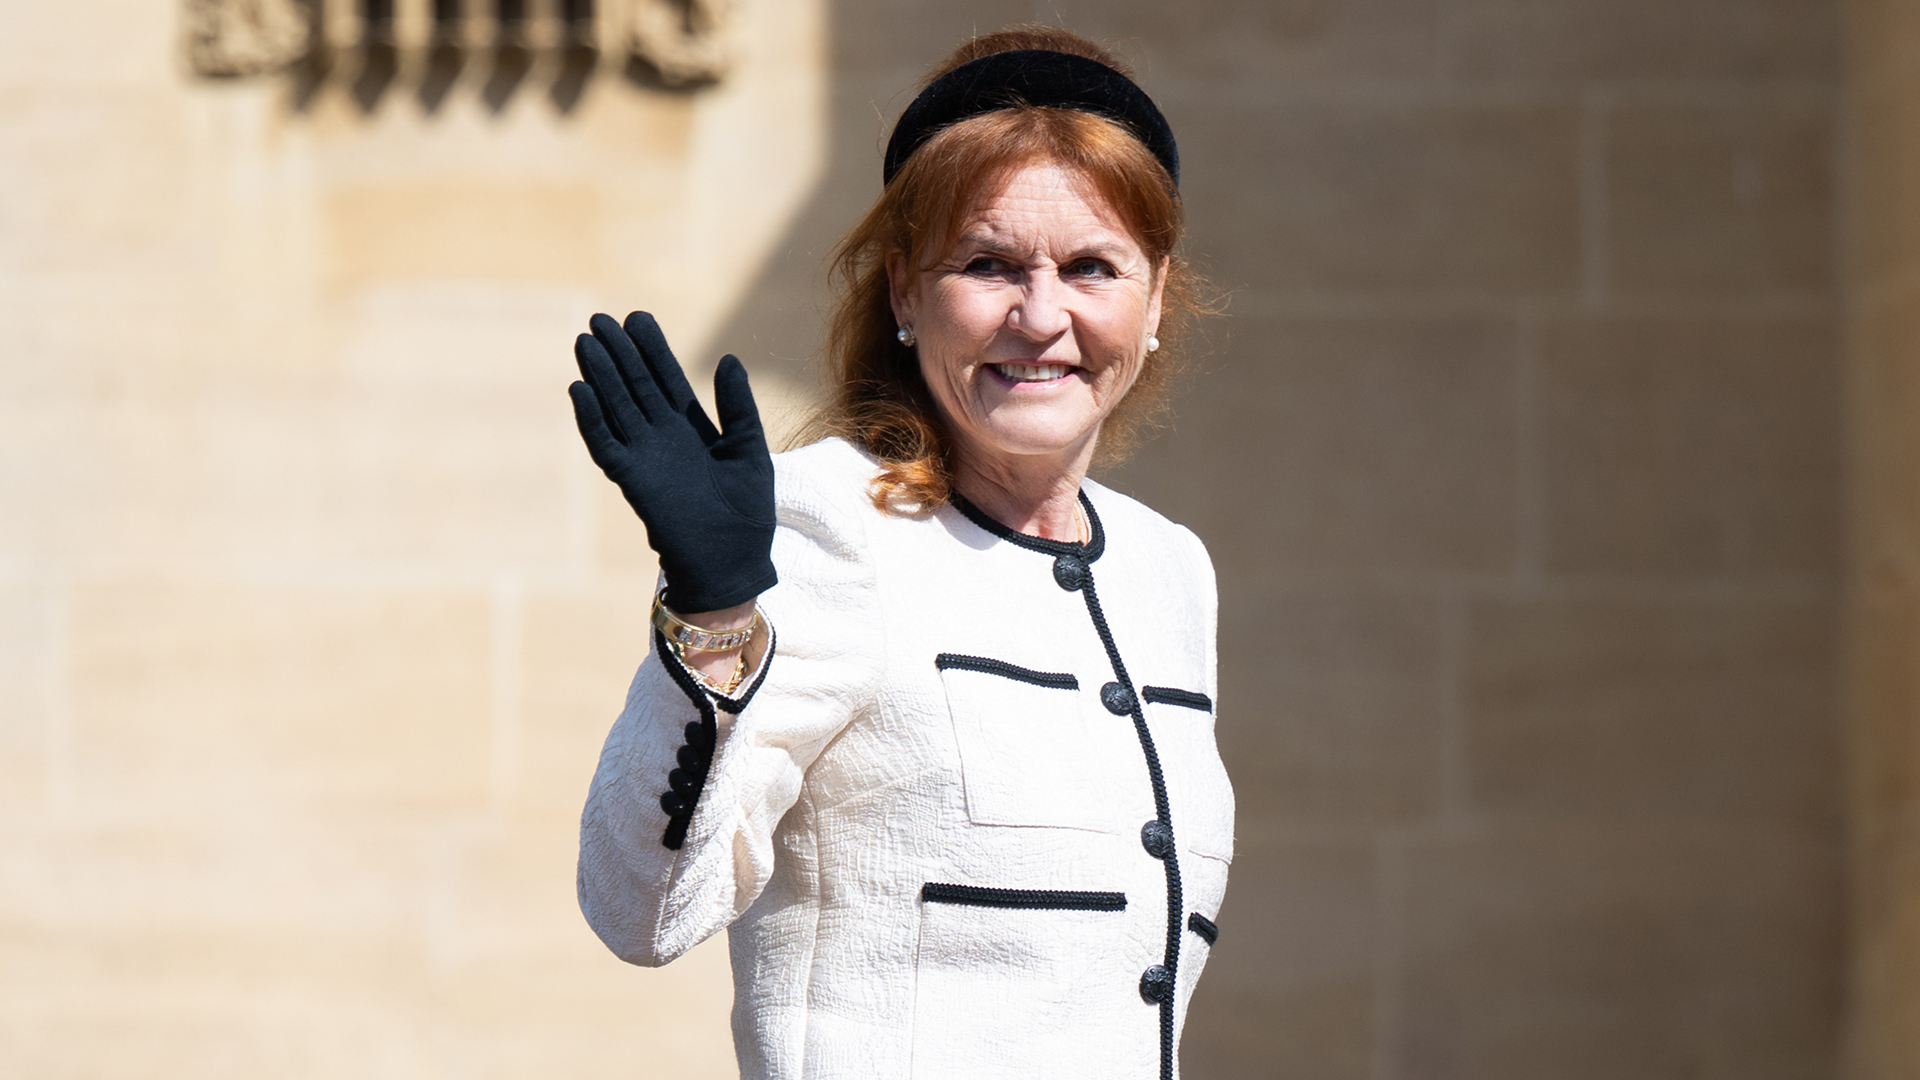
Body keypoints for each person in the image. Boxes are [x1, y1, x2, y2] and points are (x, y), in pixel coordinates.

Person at [568, 26, 1232, 1080]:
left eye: (1092, 268)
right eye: (987, 265)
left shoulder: (1167, 570)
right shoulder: (828, 526)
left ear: (1155, 301)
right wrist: (711, 616)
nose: (1042, 315)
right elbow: (639, 910)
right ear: (903, 296)